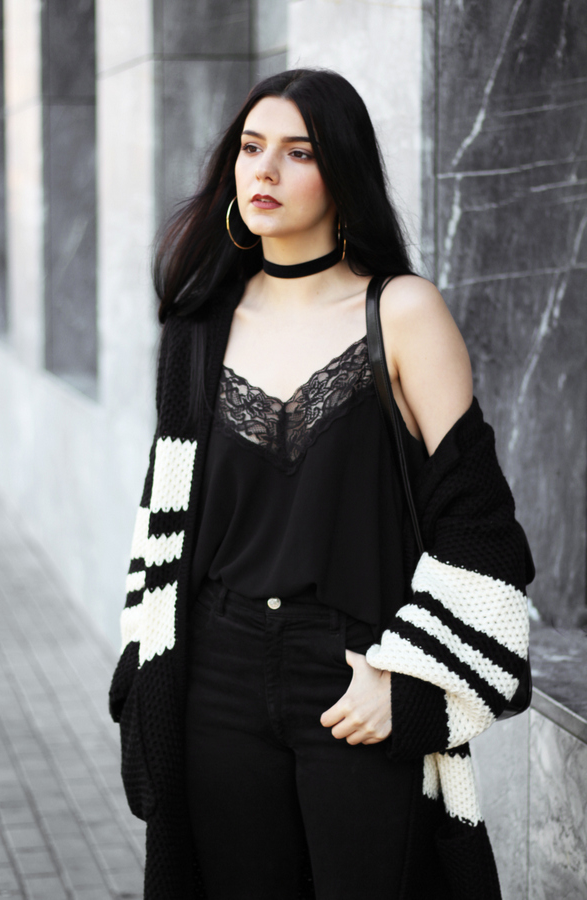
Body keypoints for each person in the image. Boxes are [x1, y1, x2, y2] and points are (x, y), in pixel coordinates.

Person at [109, 69, 531, 900]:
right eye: (251, 147)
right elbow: (163, 520)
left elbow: (478, 525)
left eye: (297, 153)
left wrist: (408, 683)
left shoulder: (402, 312)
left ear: (342, 173)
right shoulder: (198, 326)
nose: (264, 170)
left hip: (355, 672)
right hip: (217, 676)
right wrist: (150, 674)